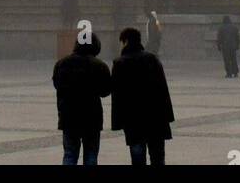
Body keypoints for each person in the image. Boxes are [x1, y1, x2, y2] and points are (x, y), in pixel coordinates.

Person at [111, 26, 175, 165]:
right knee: (158, 158)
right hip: (156, 118)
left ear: (126, 42)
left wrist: (117, 122)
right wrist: (168, 116)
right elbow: (163, 90)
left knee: (138, 159)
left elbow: (117, 96)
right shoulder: (152, 59)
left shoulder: (120, 63)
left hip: (133, 120)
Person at [52, 33, 112, 165]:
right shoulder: (100, 65)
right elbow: (105, 91)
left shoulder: (62, 64)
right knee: (91, 154)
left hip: (68, 116)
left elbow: (57, 85)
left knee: (70, 154)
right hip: (92, 117)